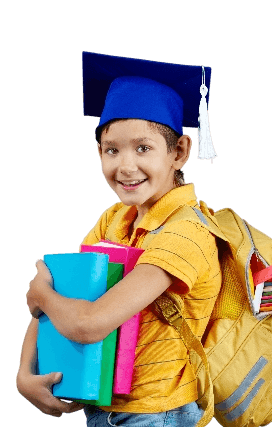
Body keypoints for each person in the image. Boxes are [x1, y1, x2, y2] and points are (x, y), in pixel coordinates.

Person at [17, 52, 220, 427]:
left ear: (179, 152)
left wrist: (40, 295)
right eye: (112, 150)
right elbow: (64, 289)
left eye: (143, 148)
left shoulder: (186, 232)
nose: (125, 166)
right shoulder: (116, 219)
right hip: (105, 407)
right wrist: (25, 372)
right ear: (98, 152)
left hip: (156, 415)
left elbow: (87, 322)